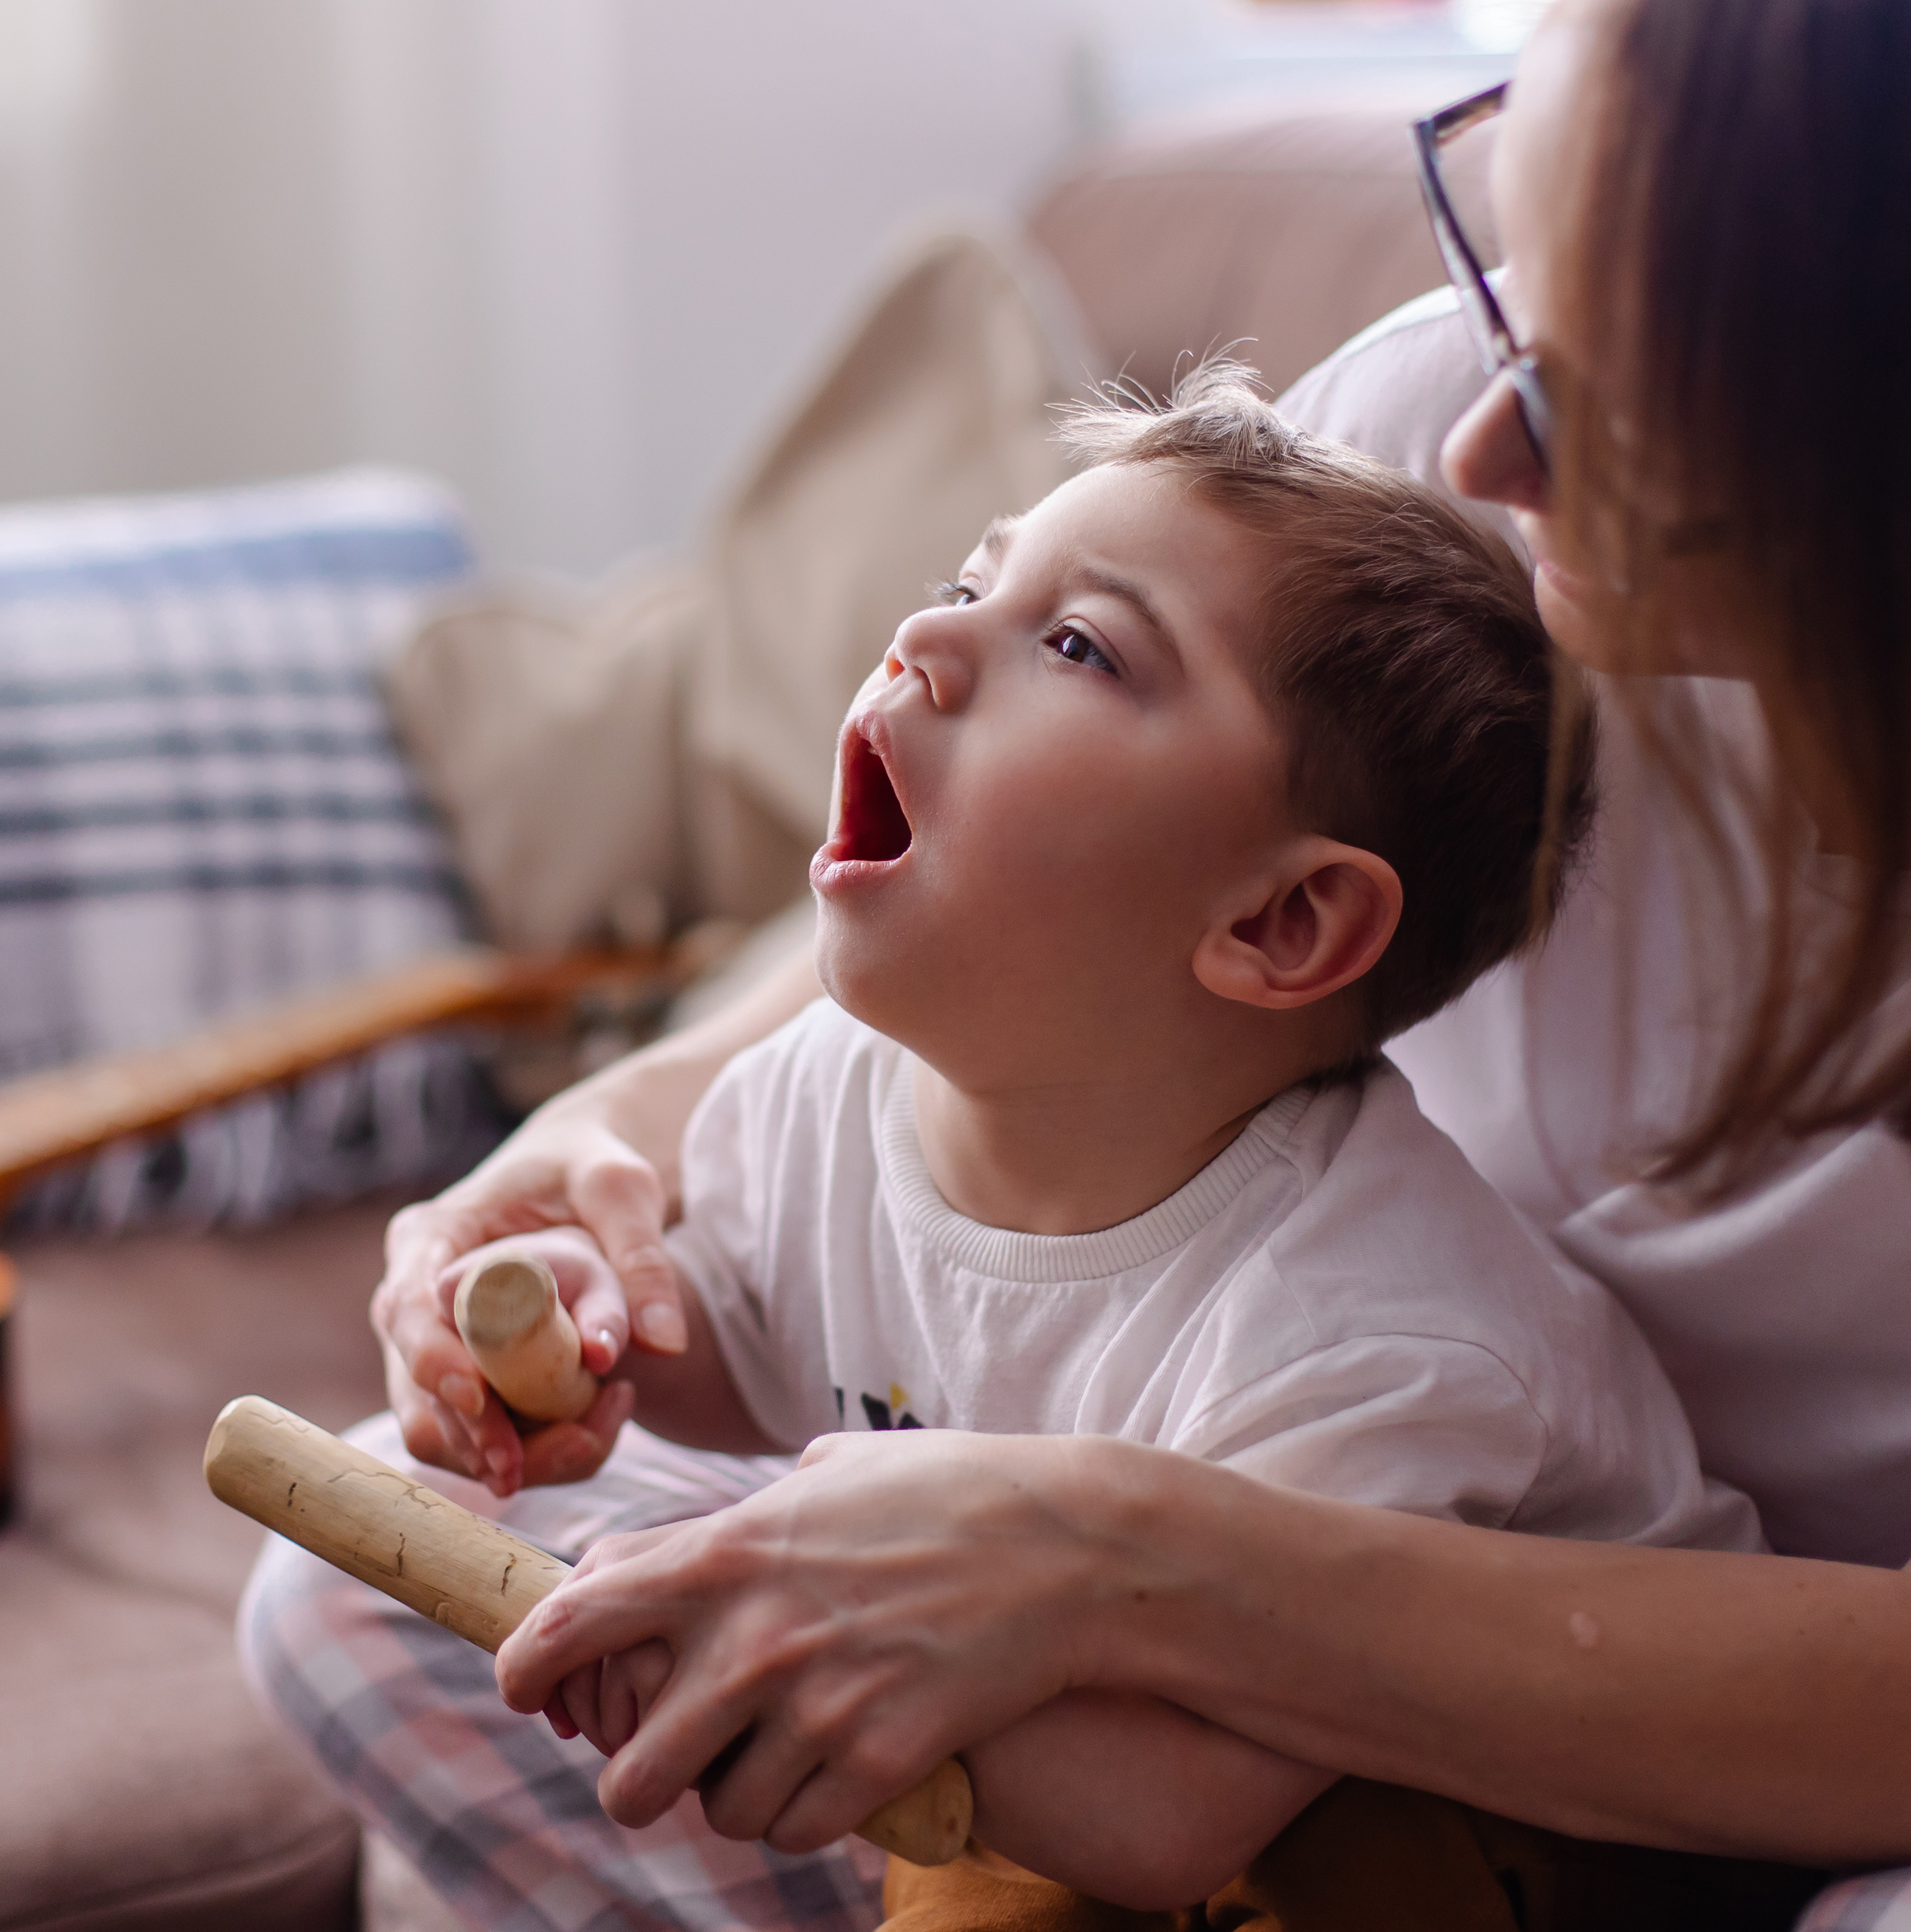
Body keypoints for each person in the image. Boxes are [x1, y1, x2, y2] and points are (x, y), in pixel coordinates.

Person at [253, 0, 1911, 1926]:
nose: (1473, 446)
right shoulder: (1427, 455)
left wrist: (1101, 1552)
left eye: (1588, 409)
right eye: (1509, 266)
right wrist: (595, 1156)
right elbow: (932, 977)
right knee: (368, 1585)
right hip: (1288, 1571)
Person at [456, 367, 1757, 1907]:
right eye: (967, 581)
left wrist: (710, 1636)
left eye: (1076, 647)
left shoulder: (1379, 1330)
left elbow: (1161, 1809)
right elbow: (744, 1345)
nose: (923, 640)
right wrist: (577, 1329)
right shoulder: (833, 1086)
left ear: (1281, 919)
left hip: (1516, 1856)